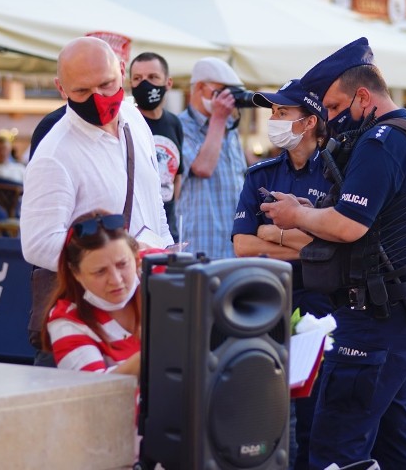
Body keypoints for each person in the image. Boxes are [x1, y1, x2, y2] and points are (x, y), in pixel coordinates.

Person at [260, 38, 406, 469]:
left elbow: (349, 225)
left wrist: (295, 216)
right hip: (399, 309)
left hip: (376, 318)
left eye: (336, 107)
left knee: (335, 447)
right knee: (394, 443)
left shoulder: (380, 141)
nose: (332, 120)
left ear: (363, 96)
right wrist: (310, 210)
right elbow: (371, 218)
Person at [21, 36, 172, 364]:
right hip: (86, 319)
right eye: (82, 92)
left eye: (106, 84)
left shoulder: (134, 120)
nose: (98, 98)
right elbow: (38, 244)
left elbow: (153, 201)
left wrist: (165, 257)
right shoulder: (55, 153)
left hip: (144, 306)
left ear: (121, 70)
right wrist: (120, 259)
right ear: (61, 89)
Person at [231, 78, 333, 469]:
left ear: (309, 122)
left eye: (281, 112)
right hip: (266, 301)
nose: (272, 119)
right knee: (261, 408)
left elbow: (330, 248)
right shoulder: (261, 174)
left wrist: (272, 231)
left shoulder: (335, 174)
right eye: (271, 111)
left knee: (312, 411)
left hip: (319, 304)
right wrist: (300, 235)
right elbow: (242, 245)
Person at [43, 211, 141, 375]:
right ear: (76, 274)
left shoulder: (164, 278)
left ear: (137, 259)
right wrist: (150, 358)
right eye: (100, 272)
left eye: (122, 264)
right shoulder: (67, 321)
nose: (116, 280)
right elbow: (92, 392)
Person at [177, 57, 247, 259]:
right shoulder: (181, 127)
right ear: (200, 88)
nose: (229, 100)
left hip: (233, 246)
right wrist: (218, 118)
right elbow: (203, 168)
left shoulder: (229, 128)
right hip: (200, 247)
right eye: (223, 91)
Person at [129, 52, 183, 242]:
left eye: (152, 77)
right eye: (137, 78)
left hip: (167, 232)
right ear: (130, 84)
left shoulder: (174, 123)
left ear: (168, 83)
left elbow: (177, 175)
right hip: (136, 236)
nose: (145, 84)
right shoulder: (126, 123)